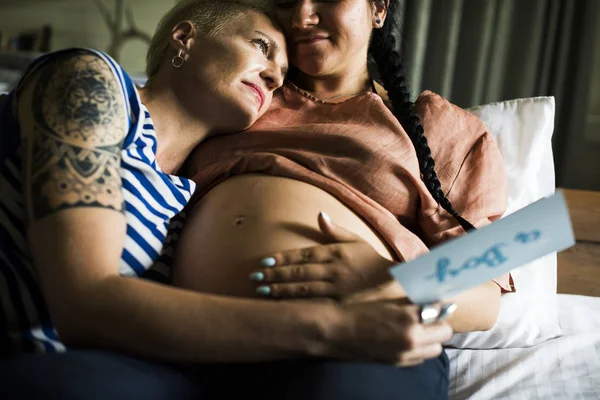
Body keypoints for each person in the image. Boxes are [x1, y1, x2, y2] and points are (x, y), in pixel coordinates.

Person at [0, 0, 454, 399]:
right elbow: (86, 303)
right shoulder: (91, 84)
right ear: (185, 36)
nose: (276, 74)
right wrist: (335, 328)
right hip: (56, 365)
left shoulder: (186, 197)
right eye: (260, 46)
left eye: (280, 77)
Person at [172, 0, 516, 398]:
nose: (302, 17)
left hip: (356, 345)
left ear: (379, 9)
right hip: (199, 340)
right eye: (285, 1)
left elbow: (486, 300)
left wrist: (388, 277)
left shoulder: (440, 127)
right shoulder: (240, 95)